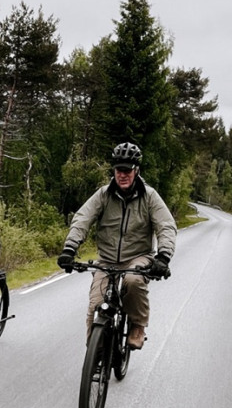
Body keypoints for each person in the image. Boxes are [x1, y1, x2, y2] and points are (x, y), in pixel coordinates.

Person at [57, 142, 177, 349]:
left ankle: (138, 325)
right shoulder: (103, 195)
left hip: (138, 256)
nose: (123, 174)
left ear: (136, 171)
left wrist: (163, 256)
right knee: (96, 304)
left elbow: (166, 226)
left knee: (133, 281)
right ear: (114, 170)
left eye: (127, 170)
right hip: (107, 259)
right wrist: (70, 248)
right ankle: (95, 356)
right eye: (119, 170)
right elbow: (82, 219)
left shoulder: (149, 197)